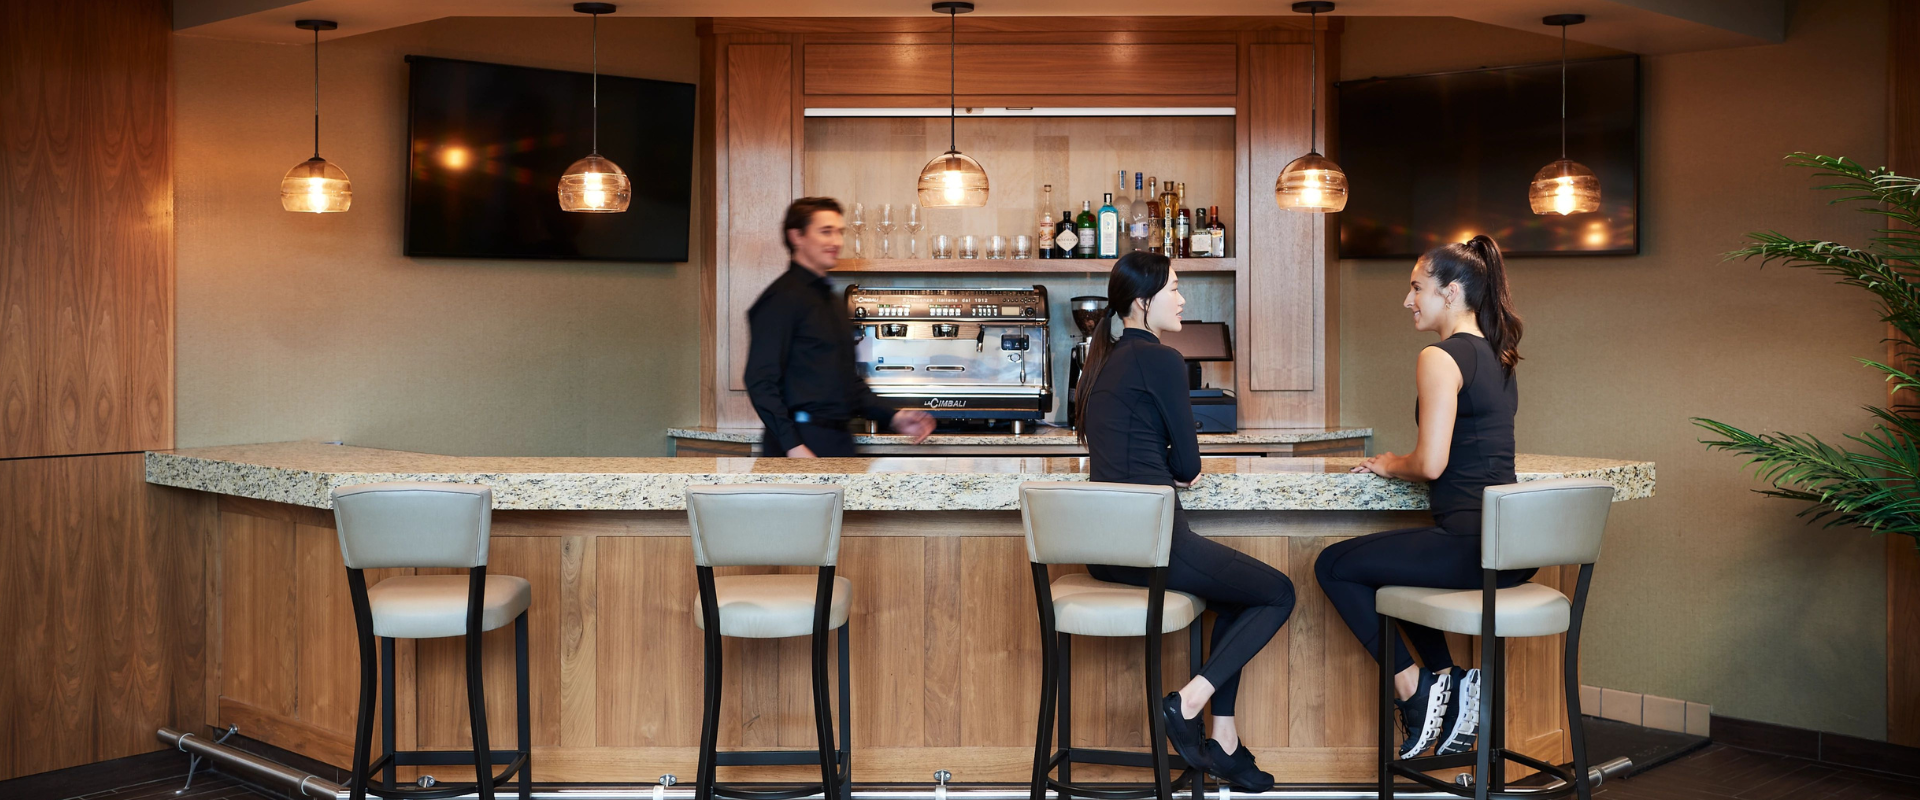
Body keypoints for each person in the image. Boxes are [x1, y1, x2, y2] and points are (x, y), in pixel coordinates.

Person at [1075, 251, 1296, 792]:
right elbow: (1188, 465)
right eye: (1174, 288)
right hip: (1154, 545)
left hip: (1109, 555)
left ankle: (1224, 743)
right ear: (1141, 302)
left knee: (1238, 600)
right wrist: (1178, 465)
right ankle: (1188, 702)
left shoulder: (1102, 360)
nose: (1183, 299)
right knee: (1278, 593)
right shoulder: (1161, 359)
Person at [1312, 235, 1527, 761]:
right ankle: (1449, 684)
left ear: (1450, 292)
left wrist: (1389, 463)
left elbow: (1431, 462)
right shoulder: (1499, 358)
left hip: (1470, 544)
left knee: (1334, 567)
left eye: (1416, 287)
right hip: (1514, 548)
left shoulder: (1440, 356)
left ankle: (1414, 688)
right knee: (1393, 567)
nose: (1408, 300)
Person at [743, 197, 934, 457]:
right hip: (800, 445)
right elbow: (760, 381)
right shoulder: (781, 299)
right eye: (825, 232)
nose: (836, 242)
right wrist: (792, 446)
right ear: (797, 236)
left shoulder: (832, 300)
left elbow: (847, 382)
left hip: (838, 441)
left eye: (839, 232)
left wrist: (894, 416)